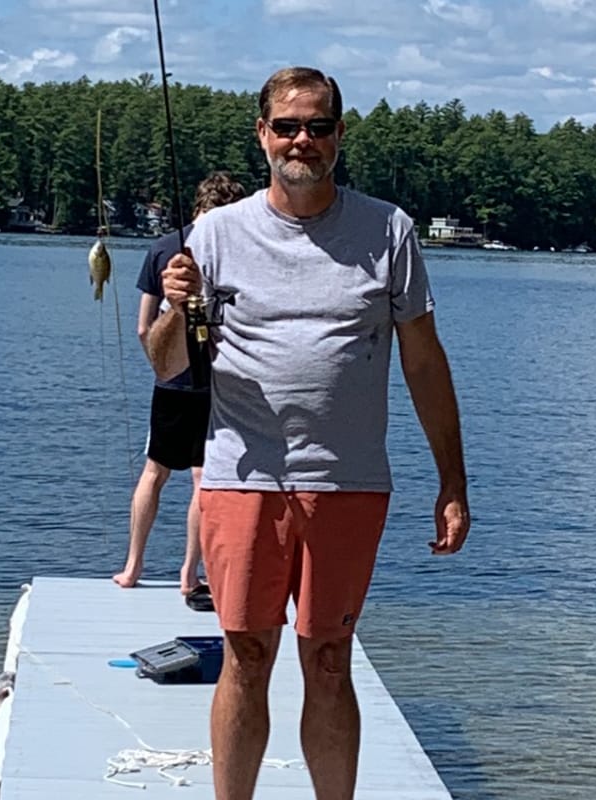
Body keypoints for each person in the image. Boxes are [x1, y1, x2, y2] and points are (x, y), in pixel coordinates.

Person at [153, 67, 471, 800]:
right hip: (242, 476)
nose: (303, 140)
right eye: (288, 126)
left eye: (318, 127)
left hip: (348, 481)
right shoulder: (213, 233)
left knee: (329, 655)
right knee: (246, 653)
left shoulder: (387, 230)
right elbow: (169, 363)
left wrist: (452, 480)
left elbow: (423, 362)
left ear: (338, 136)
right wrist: (177, 308)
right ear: (263, 134)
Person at [112, 171, 246, 605]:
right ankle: (190, 571)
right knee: (203, 480)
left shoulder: (161, 248)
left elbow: (141, 329)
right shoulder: (238, 249)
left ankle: (133, 564)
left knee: (154, 472)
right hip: (217, 382)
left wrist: (166, 360)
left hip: (170, 382)